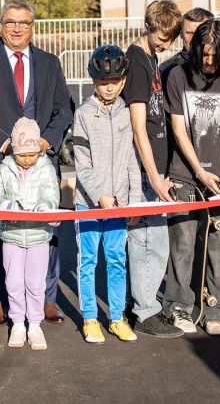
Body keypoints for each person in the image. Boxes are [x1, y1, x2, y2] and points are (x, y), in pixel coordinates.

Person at [0, 0, 73, 327]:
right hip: (2, 159)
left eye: (23, 22)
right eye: (10, 22)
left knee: (46, 228)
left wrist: (47, 141)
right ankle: (0, 300)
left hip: (43, 161)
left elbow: (64, 108)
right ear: (1, 25)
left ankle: (46, 298)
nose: (17, 28)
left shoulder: (50, 63)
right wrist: (3, 144)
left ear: (32, 27)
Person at [163, 18, 220, 336]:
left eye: (215, 56)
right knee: (183, 243)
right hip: (184, 174)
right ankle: (178, 306)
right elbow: (178, 129)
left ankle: (216, 308)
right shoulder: (176, 75)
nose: (209, 62)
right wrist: (198, 171)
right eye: (205, 55)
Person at [122, 0, 183, 338]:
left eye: (170, 38)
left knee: (154, 240)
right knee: (148, 241)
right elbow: (137, 126)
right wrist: (153, 176)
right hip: (145, 173)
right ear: (148, 26)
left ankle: (144, 304)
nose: (166, 44)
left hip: (155, 169)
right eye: (162, 36)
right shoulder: (137, 62)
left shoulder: (151, 58)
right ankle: (145, 310)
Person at [73, 45, 141, 344]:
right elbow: (81, 163)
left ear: (123, 80)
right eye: (103, 81)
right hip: (88, 204)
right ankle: (89, 318)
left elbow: (132, 159)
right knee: (88, 261)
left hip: (120, 203)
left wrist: (135, 200)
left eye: (114, 80)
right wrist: (99, 194)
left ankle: (116, 317)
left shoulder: (128, 113)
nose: (109, 86)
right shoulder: (84, 114)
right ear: (93, 81)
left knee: (116, 260)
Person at [0, 118, 60, 351]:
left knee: (35, 282)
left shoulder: (46, 168)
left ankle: (35, 324)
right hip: (12, 235)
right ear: (13, 150)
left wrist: (45, 207)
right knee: (13, 281)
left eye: (32, 154)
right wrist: (8, 208)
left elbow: (52, 194)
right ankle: (18, 322)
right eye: (22, 155)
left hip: (39, 235)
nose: (28, 160)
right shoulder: (3, 169)